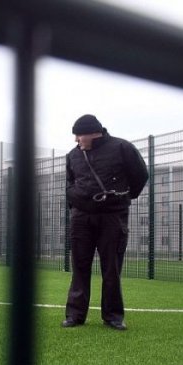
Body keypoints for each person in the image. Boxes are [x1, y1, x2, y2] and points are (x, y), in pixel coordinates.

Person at [62, 114, 149, 331]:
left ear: (93, 132)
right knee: (79, 267)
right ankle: (75, 315)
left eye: (79, 135)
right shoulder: (73, 156)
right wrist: (75, 198)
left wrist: (123, 198)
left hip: (113, 217)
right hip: (81, 218)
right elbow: (70, 182)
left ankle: (113, 316)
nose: (76, 140)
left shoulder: (122, 148)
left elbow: (140, 175)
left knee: (111, 267)